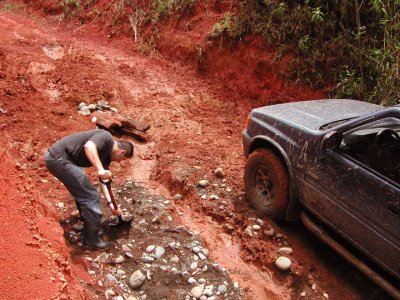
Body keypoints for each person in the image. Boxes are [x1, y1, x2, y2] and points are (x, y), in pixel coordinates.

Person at [44, 129, 134, 250]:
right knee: (90, 196)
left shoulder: (106, 158)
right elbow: (89, 146)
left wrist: (112, 206)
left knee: (84, 189)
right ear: (122, 152)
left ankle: (86, 218)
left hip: (65, 160)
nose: (118, 162)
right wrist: (100, 169)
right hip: (58, 158)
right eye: (121, 160)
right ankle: (91, 240)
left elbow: (105, 182)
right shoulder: (106, 137)